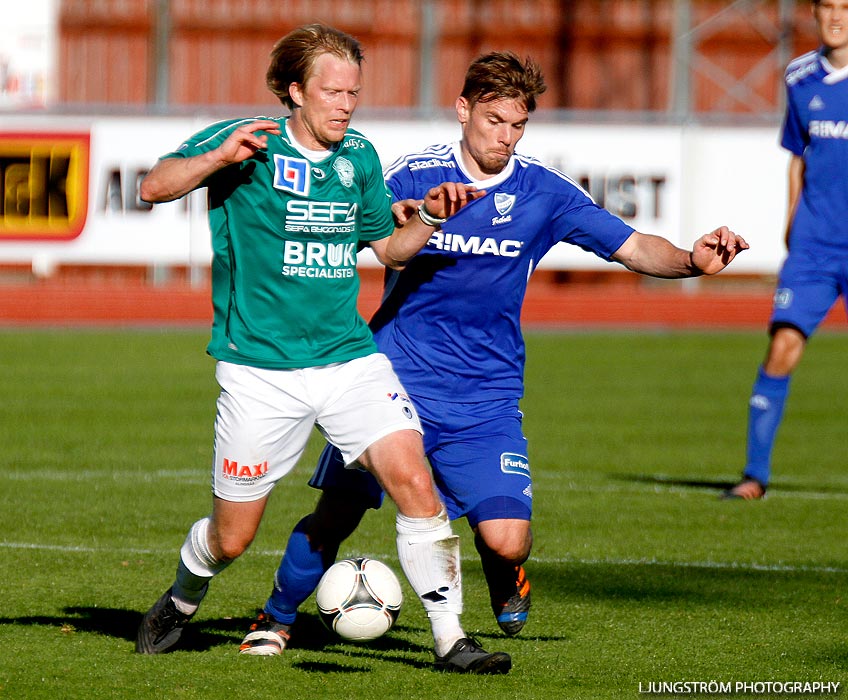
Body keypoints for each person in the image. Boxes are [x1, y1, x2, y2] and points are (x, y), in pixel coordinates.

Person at [239, 49, 749, 656]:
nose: (504, 138)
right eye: (492, 121)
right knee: (337, 514)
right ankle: (274, 619)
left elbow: (635, 248)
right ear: (463, 110)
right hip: (392, 383)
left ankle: (504, 572)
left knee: (509, 539)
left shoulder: (543, 192)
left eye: (517, 125)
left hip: (486, 394)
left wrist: (692, 261)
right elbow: (353, 234)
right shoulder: (411, 175)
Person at [134, 23, 513, 675]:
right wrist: (217, 160)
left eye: (353, 93)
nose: (345, 104)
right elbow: (153, 186)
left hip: (348, 359)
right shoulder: (245, 144)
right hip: (261, 372)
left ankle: (453, 639)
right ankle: (184, 593)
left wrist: (428, 218)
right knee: (233, 537)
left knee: (414, 480)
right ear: (294, 92)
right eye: (332, 92)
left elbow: (387, 248)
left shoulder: (358, 157)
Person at [724, 0, 848, 501]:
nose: (837, 17)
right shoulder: (800, 78)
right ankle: (755, 476)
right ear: (815, 14)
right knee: (781, 348)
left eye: (846, 7)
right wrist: (791, 224)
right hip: (815, 245)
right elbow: (797, 159)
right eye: (827, 7)